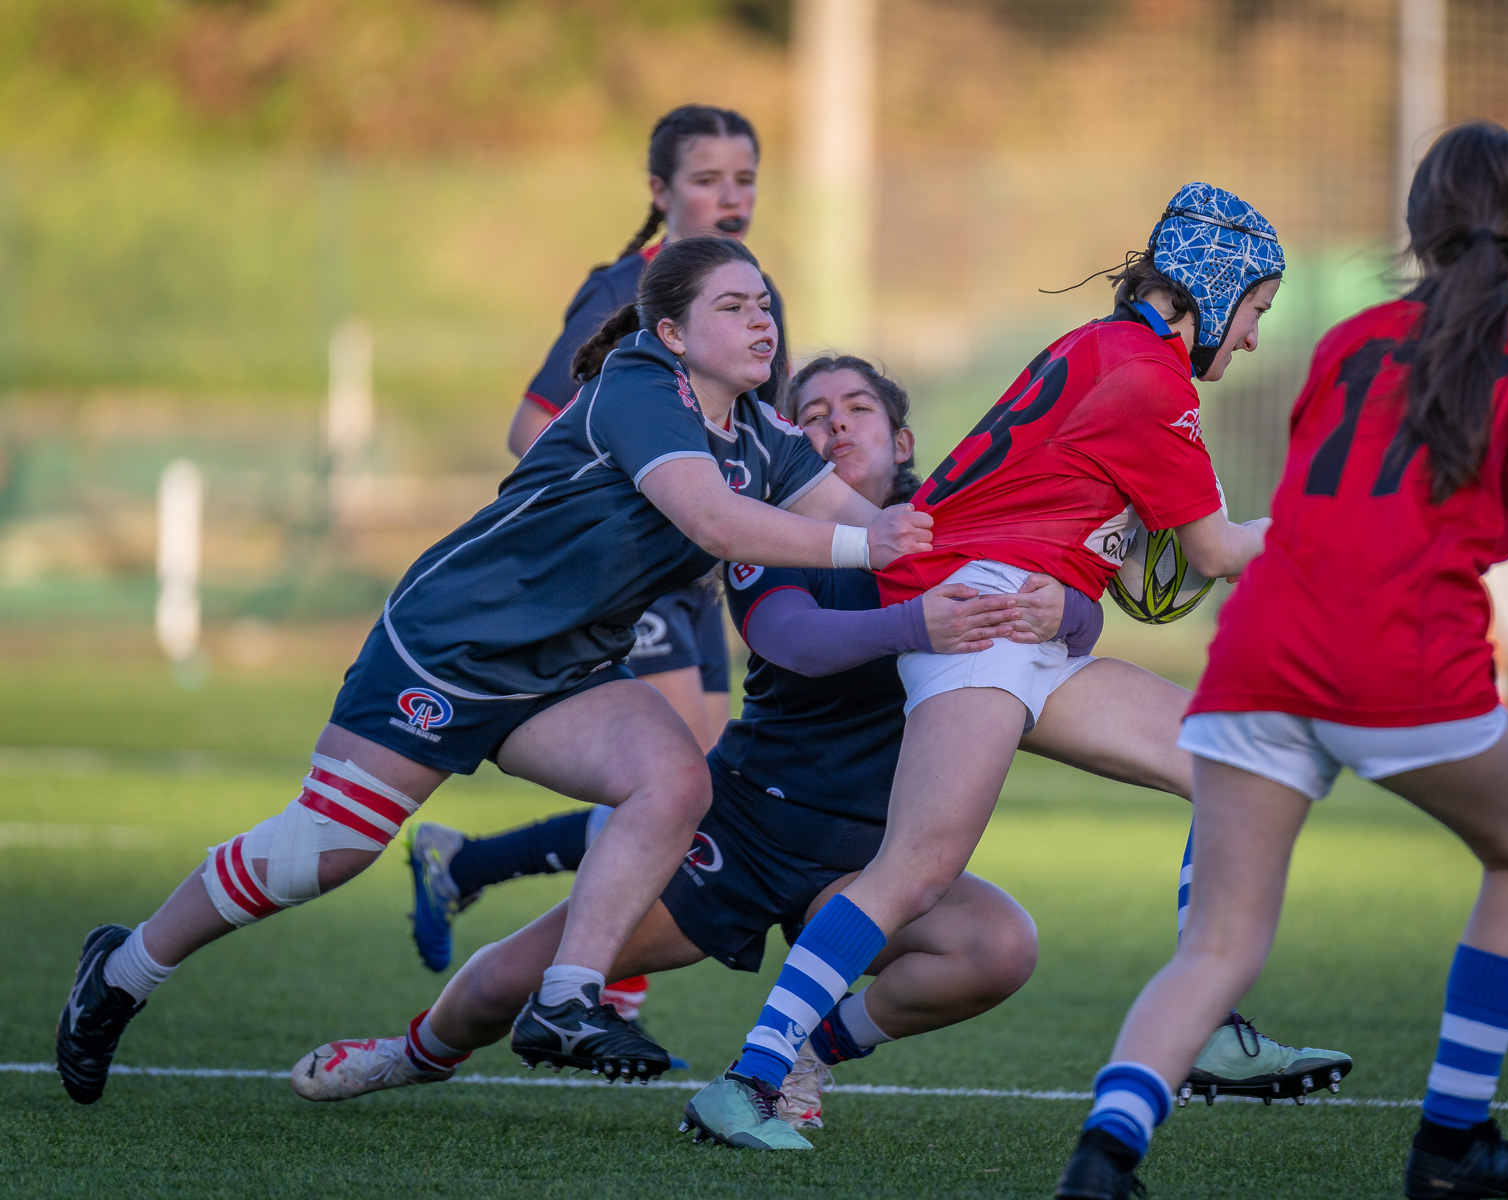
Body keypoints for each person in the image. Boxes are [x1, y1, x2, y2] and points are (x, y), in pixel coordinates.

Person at [54, 235, 933, 1106]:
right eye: (732, 307)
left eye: (765, 305)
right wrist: (873, 544)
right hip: (454, 645)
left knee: (673, 783)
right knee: (324, 850)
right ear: (672, 333)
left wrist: (990, 557)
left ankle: (565, 1001)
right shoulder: (641, 384)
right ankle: (123, 970)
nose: (761, 321)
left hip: (566, 669)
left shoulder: (765, 436)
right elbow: (715, 521)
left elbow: (879, 527)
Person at [683, 182, 1354, 1151]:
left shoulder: (1106, 348)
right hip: (988, 615)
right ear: (1215, 292)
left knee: (1233, 759)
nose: (1251, 338)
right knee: (916, 870)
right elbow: (1211, 552)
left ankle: (1204, 1024)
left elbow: (1102, 534)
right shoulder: (1150, 377)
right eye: (1256, 310)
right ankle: (747, 1081)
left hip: (1019, 620)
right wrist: (1370, 526)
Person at [1053, 123, 1508, 1200]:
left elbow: (1351, 488)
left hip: (1262, 649)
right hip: (1397, 651)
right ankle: (1451, 1146)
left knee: (1220, 943)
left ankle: (1103, 1159)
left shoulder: (1350, 341)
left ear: (1418, 235)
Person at [286, 355, 1075, 1145]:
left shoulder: (967, 535)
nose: (835, 422)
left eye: (858, 407)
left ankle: (806, 1054)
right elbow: (793, 641)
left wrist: (1064, 610)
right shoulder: (775, 527)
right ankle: (414, 1055)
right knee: (514, 977)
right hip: (744, 833)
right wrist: (915, 625)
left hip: (869, 861)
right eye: (811, 414)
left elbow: (1075, 619)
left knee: (999, 946)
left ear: (902, 441)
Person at [406, 105, 775, 1001]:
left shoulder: (749, 292)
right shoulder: (624, 292)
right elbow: (531, 426)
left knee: (699, 787)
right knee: (672, 786)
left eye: (745, 179)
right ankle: (604, 993)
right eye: (707, 180)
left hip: (695, 573)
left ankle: (468, 867)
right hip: (632, 580)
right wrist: (637, 504)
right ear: (659, 191)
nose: (730, 197)